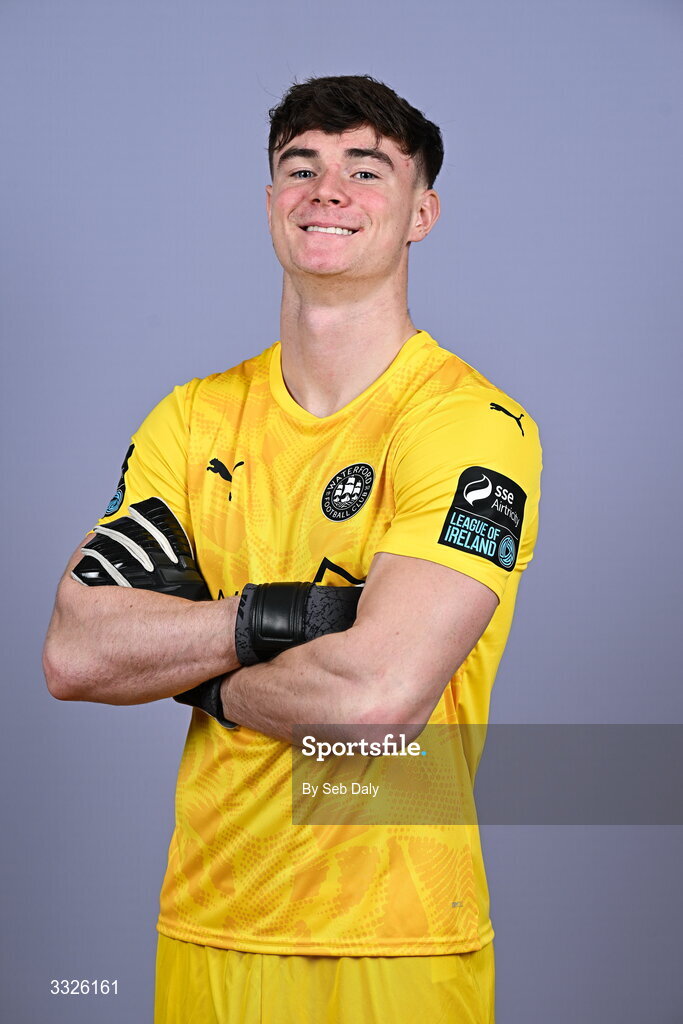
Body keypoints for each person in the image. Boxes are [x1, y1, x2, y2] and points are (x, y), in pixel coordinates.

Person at [43, 75, 541, 1023]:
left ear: (419, 214)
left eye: (366, 170)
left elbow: (375, 702)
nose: (326, 190)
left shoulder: (471, 427)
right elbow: (74, 651)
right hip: (205, 920)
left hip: (392, 938)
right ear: (272, 202)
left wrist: (198, 672)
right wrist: (281, 621)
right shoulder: (191, 420)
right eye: (299, 167)